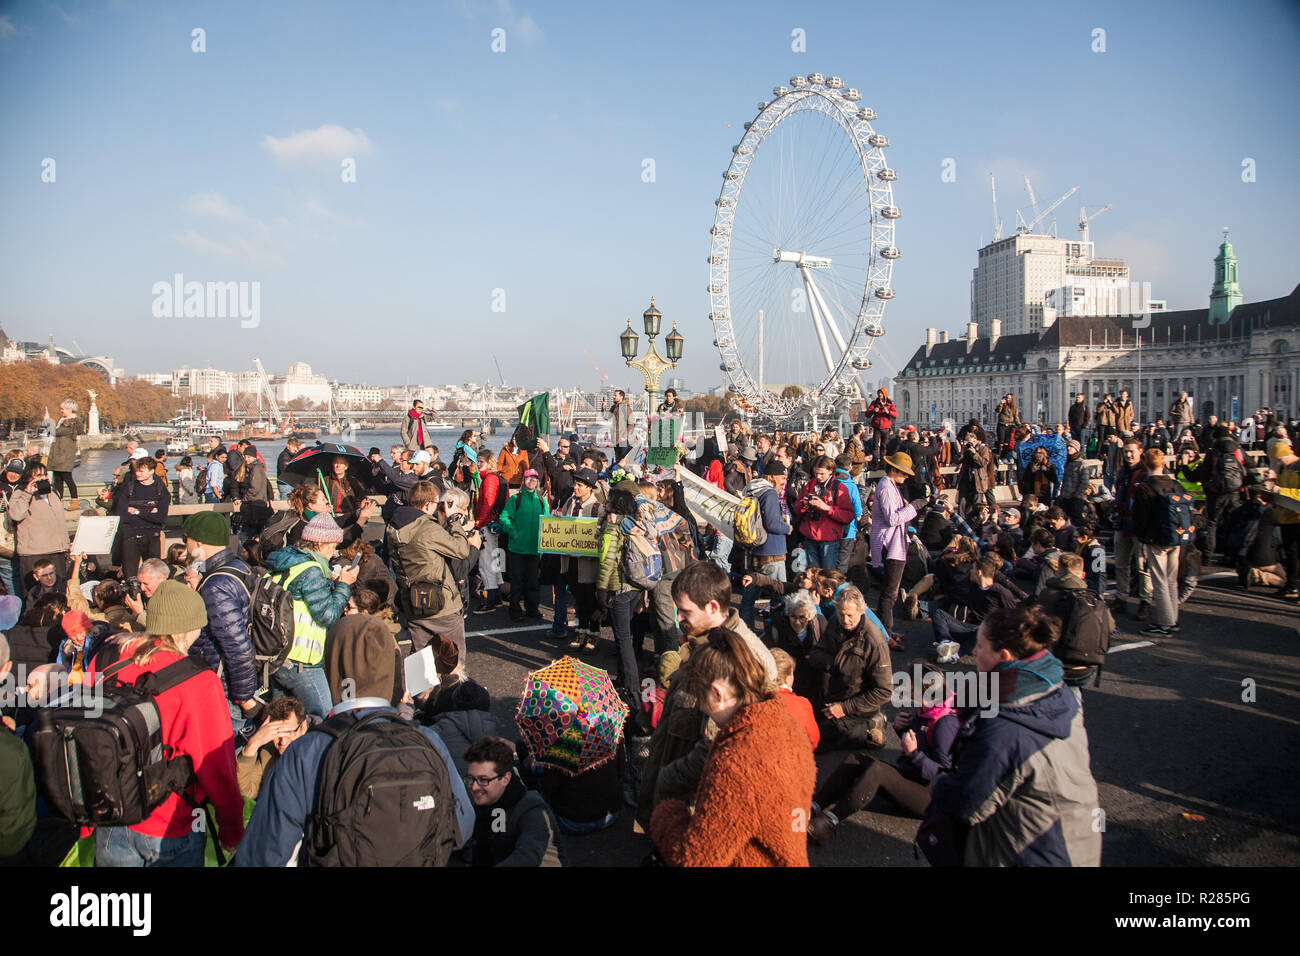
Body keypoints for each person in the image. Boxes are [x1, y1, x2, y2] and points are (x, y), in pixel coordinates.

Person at [232, 611, 474, 867]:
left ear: (331, 669)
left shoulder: (307, 751)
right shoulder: (427, 740)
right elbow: (463, 826)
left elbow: (264, 855)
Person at [925, 605, 1102, 866]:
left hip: (1037, 852)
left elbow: (966, 802)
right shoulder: (1054, 686)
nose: (973, 652)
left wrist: (937, 782)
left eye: (980, 646)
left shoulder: (1007, 730)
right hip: (1074, 834)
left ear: (1004, 656)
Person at [87, 581, 245, 866]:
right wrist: (231, 829)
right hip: (169, 823)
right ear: (187, 628)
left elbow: (87, 731)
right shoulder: (198, 681)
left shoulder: (106, 657)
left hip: (110, 813)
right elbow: (216, 765)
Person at [649, 627, 816, 867]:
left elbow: (696, 859)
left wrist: (667, 815)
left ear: (718, 693)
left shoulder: (737, 763)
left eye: (700, 698)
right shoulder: (788, 726)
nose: (701, 709)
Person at [808, 662, 959, 844]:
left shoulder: (945, 725)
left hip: (930, 798)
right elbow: (923, 742)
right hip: (912, 776)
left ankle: (827, 822)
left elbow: (946, 775)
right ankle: (814, 806)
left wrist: (914, 755)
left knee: (878, 770)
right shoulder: (927, 709)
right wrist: (901, 730)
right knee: (857, 760)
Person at [262, 514, 359, 718]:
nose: (333, 553)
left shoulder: (289, 562)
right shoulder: (312, 571)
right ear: (320, 544)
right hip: (301, 661)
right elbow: (328, 615)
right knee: (323, 716)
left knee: (283, 719)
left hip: (278, 655)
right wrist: (343, 585)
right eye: (332, 546)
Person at [388, 479, 474, 682]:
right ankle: (451, 697)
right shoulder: (427, 528)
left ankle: (420, 700)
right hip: (441, 604)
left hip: (413, 601)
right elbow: (461, 550)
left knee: (420, 656)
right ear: (428, 505)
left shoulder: (395, 526)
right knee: (453, 657)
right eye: (437, 503)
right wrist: (453, 520)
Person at [181, 512, 259, 731]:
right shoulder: (238, 567)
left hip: (227, 689)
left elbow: (237, 646)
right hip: (234, 683)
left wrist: (244, 698)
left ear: (198, 542)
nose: (186, 546)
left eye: (186, 539)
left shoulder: (216, 585)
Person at [805, 584, 892, 750]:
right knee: (803, 724)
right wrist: (837, 663)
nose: (845, 620)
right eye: (841, 614)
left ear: (861, 611)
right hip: (832, 692)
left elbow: (884, 691)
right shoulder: (834, 623)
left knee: (816, 741)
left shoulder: (874, 641)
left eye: (850, 615)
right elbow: (816, 653)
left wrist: (845, 708)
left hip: (856, 705)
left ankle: (870, 728)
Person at [459, 736, 558, 866]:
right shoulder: (489, 804)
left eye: (484, 780)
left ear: (505, 779)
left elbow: (528, 854)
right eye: (471, 778)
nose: (474, 787)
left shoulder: (533, 811)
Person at [1132, 448, 1182, 637]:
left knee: (1159, 582)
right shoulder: (1175, 484)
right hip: (1175, 536)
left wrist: (1141, 537)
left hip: (1155, 538)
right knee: (1171, 581)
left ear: (1146, 464)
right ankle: (1173, 619)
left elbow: (1140, 518)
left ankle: (1165, 623)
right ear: (1163, 463)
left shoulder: (1145, 488)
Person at [869, 452, 918, 645]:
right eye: (904, 473)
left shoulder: (889, 485)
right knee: (889, 592)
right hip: (889, 544)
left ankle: (886, 629)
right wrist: (913, 508)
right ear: (894, 470)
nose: (906, 477)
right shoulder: (887, 488)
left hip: (891, 542)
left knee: (891, 591)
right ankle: (884, 632)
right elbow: (892, 519)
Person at [99, 450, 170, 578]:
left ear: (151, 471)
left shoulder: (161, 490)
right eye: (136, 470)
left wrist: (137, 512)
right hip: (131, 535)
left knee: (153, 573)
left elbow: (161, 518)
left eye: (141, 471)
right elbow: (123, 515)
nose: (137, 473)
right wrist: (149, 513)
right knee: (130, 574)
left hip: (152, 536)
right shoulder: (129, 487)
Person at [7, 461, 69, 604]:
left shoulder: (53, 493)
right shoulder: (20, 493)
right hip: (33, 552)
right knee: (34, 593)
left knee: (59, 591)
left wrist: (66, 544)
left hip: (57, 550)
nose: (42, 478)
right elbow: (16, 514)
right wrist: (27, 493)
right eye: (37, 475)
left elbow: (59, 521)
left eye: (44, 474)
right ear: (29, 477)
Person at [556, 468, 602, 651]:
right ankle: (581, 631)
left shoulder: (597, 507)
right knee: (578, 600)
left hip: (588, 563)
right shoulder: (570, 502)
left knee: (590, 599)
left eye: (580, 485)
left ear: (590, 488)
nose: (575, 487)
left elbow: (599, 536)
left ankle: (594, 634)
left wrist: (583, 550)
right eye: (576, 484)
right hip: (571, 561)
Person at [498, 468, 549, 622]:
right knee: (517, 582)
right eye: (528, 478)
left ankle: (532, 609)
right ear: (523, 481)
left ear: (537, 481)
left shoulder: (541, 500)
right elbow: (504, 517)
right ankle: (515, 611)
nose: (531, 481)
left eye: (534, 478)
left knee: (533, 582)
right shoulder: (515, 499)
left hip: (534, 549)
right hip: (517, 548)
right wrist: (512, 531)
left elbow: (546, 521)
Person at [236, 696, 311, 801]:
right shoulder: (268, 754)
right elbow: (247, 793)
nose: (283, 741)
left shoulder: (317, 750)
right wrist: (253, 745)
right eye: (277, 734)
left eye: (289, 732)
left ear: (303, 726)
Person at [1113, 438, 1153, 618]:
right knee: (1121, 563)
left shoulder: (1146, 473)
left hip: (1140, 525)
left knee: (1142, 565)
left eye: (1132, 452)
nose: (1129, 455)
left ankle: (1146, 601)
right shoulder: (1122, 472)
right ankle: (1121, 598)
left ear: (1140, 452)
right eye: (1126, 452)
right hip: (1122, 521)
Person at [793, 456, 854, 570]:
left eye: (822, 474)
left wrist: (827, 508)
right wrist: (804, 504)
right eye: (816, 473)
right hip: (810, 537)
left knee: (827, 576)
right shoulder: (810, 485)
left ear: (831, 471)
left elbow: (848, 516)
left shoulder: (839, 487)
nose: (818, 477)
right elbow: (797, 508)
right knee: (811, 576)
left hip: (829, 540)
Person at [470, 449, 507, 613]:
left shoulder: (489, 479)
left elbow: (487, 503)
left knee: (486, 562)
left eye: (481, 462)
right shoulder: (497, 478)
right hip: (495, 524)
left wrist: (478, 524)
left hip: (488, 525)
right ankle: (496, 595)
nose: (478, 465)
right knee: (496, 560)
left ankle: (491, 598)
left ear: (488, 463)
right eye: (478, 462)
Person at [48, 399, 84, 506]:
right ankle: (60, 500)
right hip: (60, 454)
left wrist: (47, 421)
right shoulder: (65, 421)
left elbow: (56, 432)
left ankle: (74, 501)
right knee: (58, 478)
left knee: (67, 477)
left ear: (69, 409)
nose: (61, 411)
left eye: (63, 409)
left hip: (64, 455)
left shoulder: (71, 422)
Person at [865, 388, 899, 465]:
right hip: (877, 427)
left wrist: (888, 412)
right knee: (875, 445)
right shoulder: (874, 403)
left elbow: (896, 415)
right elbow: (867, 414)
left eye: (881, 393)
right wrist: (873, 410)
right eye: (879, 393)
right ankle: (876, 461)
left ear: (885, 394)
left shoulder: (890, 404)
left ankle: (883, 462)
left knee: (884, 445)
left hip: (886, 427)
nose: (880, 395)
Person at [604, 389, 632, 462]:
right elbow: (606, 417)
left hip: (623, 439)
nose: (613, 397)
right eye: (614, 395)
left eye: (615, 395)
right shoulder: (614, 407)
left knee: (623, 460)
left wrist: (625, 436)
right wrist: (603, 407)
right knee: (617, 459)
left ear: (621, 397)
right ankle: (618, 473)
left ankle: (624, 473)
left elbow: (631, 423)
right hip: (615, 438)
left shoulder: (626, 407)